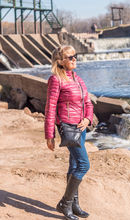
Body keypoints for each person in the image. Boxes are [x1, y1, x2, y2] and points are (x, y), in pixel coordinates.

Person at [45, 45, 93, 220]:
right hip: (68, 127)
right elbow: (50, 108)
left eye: (75, 56)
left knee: (74, 165)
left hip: (81, 127)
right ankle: (64, 204)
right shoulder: (56, 80)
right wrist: (49, 135)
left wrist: (88, 119)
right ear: (61, 61)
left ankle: (74, 205)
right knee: (83, 165)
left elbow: (88, 103)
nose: (74, 59)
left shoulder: (78, 79)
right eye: (70, 57)